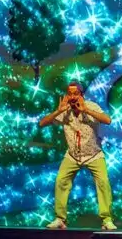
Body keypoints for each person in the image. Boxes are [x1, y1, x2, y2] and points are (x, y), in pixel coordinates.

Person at [38, 82, 117, 230]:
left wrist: (86, 110)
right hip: (73, 155)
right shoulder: (65, 110)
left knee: (103, 182)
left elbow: (107, 120)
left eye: (75, 93)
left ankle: (106, 220)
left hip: (93, 154)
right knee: (61, 181)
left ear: (81, 95)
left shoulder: (91, 106)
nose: (72, 96)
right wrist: (58, 111)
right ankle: (60, 219)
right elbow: (42, 123)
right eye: (70, 93)